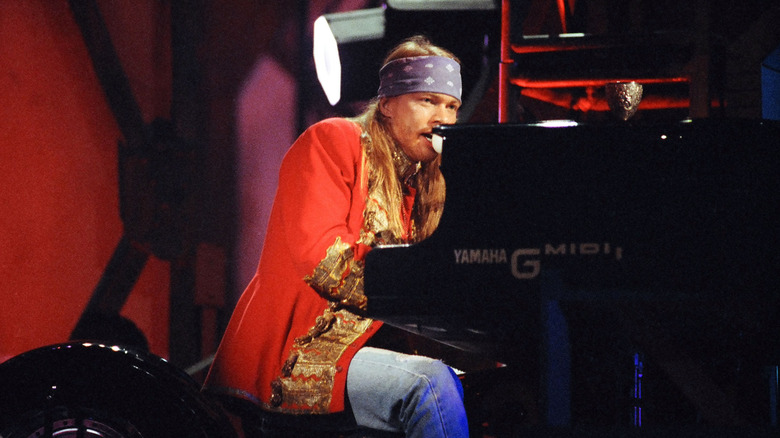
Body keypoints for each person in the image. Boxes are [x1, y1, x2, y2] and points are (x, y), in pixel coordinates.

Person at [203, 35, 469, 438]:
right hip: (301, 349)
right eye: (426, 101)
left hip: (367, 353)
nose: (441, 118)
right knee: (430, 386)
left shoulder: (424, 187)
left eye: (451, 106)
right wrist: (415, 292)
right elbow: (322, 257)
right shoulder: (334, 140)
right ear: (387, 104)